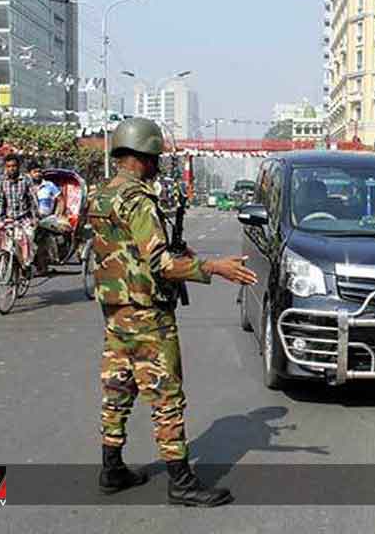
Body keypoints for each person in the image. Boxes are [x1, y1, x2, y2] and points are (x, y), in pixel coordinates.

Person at [89, 117, 258, 507]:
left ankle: (111, 467)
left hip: (116, 313)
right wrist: (215, 267)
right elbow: (160, 265)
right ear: (144, 157)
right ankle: (181, 480)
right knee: (166, 397)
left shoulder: (101, 196)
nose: (157, 165)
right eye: (155, 158)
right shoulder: (138, 200)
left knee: (117, 390)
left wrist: (180, 253)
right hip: (148, 315)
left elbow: (124, 253)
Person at [0, 155, 38, 269]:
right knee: (5, 242)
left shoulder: (26, 179)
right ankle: (7, 266)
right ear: (5, 167)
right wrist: (0, 218)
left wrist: (35, 217)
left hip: (24, 218)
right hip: (9, 218)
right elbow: (0, 200)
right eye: (9, 166)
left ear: (18, 167)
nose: (11, 169)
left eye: (14, 166)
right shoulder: (1, 181)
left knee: (28, 239)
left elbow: (33, 199)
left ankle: (26, 266)